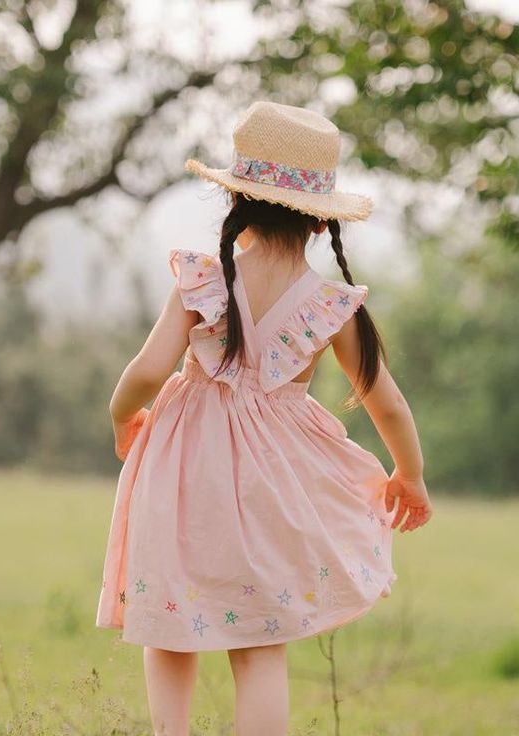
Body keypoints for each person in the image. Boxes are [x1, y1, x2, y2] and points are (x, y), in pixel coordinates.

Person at [95, 100, 433, 736]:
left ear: (237, 206)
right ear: (316, 223)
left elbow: (147, 370)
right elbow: (384, 399)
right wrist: (408, 473)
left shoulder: (202, 279)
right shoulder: (331, 304)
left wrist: (122, 418)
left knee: (170, 621)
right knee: (259, 645)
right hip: (274, 482)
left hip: (184, 464)